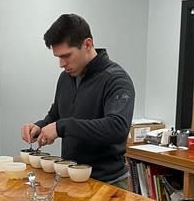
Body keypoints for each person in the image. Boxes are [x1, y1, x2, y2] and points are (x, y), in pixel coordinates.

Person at [21, 13, 135, 189]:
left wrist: (62, 127)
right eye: (58, 57)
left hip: (108, 184)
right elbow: (57, 115)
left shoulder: (116, 79)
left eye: (66, 56)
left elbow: (117, 128)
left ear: (87, 44)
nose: (61, 63)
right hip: (69, 179)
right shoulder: (66, 78)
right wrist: (40, 127)